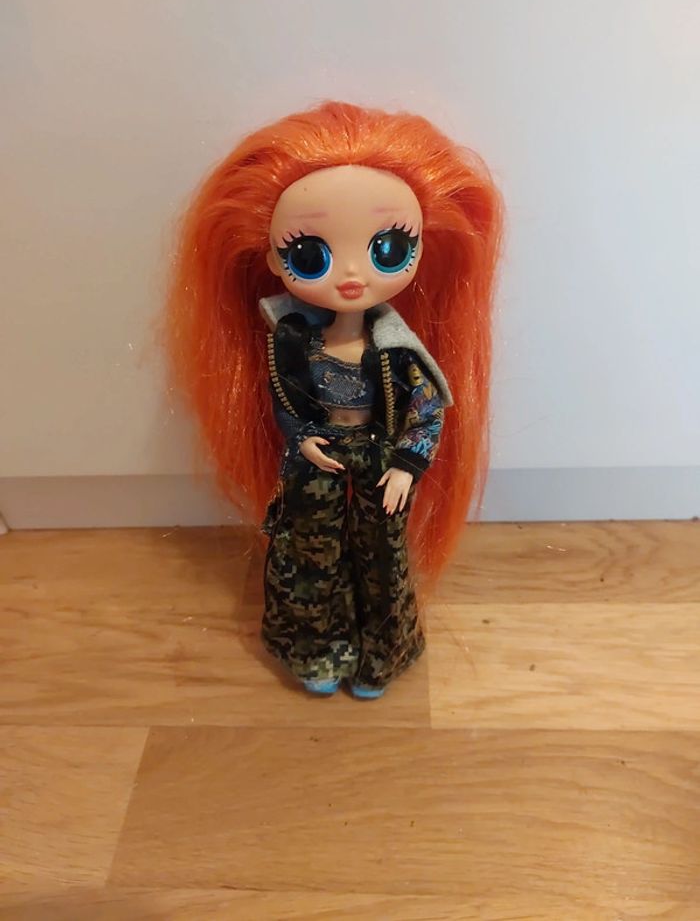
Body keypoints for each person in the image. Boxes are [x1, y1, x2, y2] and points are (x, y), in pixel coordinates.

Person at [165, 100, 503, 699]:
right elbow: (286, 400)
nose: (351, 276)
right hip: (316, 459)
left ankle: (380, 657)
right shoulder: (292, 340)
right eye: (310, 255)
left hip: (379, 461)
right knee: (308, 558)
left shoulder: (397, 350)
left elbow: (426, 410)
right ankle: (316, 651)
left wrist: (408, 463)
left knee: (382, 559)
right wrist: (299, 438)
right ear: (273, 258)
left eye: (387, 249)